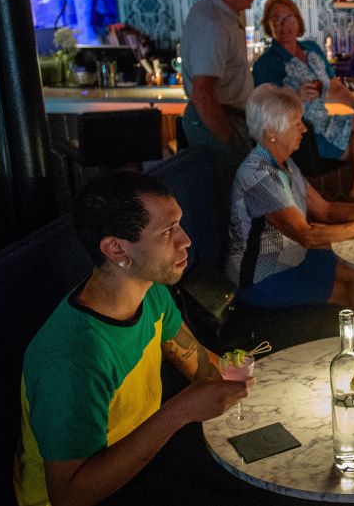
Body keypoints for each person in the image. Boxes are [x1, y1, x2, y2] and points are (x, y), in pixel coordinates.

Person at [13, 171, 250, 506]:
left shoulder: (150, 294)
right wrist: (179, 411)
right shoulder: (74, 357)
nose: (186, 240)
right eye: (168, 231)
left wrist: (264, 386)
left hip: (144, 458)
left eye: (179, 224)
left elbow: (200, 364)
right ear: (117, 249)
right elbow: (69, 494)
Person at [227, 84, 354, 310]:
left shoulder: (284, 163)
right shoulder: (258, 175)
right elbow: (307, 235)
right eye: (296, 124)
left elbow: (325, 209)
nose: (303, 129)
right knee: (346, 292)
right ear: (272, 131)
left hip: (289, 260)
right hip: (261, 279)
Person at [253, 0, 354, 200]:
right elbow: (264, 107)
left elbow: (334, 87)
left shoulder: (312, 49)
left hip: (326, 121)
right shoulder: (267, 63)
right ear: (268, 25)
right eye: (277, 20)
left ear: (298, 21)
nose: (284, 25)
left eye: (289, 18)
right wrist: (296, 96)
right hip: (302, 133)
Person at [180, 0, 260, 197]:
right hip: (218, 118)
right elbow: (203, 93)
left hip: (228, 117)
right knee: (233, 197)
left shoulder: (216, 13)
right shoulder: (213, 22)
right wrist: (227, 138)